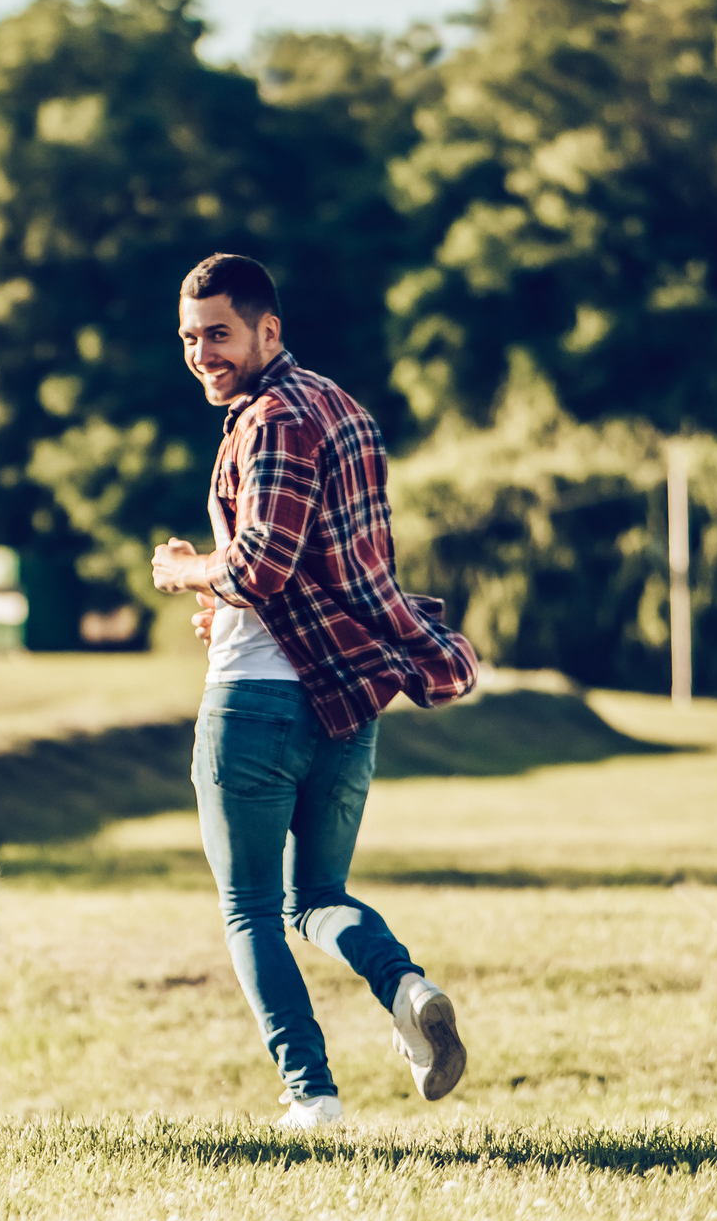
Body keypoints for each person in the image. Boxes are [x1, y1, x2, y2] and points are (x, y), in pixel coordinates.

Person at [149, 253, 479, 1129]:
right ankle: (405, 987)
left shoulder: (272, 418)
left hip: (255, 709)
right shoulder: (344, 410)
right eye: (189, 338)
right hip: (345, 701)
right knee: (318, 898)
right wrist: (223, 601)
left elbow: (261, 561)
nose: (202, 352)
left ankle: (311, 1096)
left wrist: (187, 574)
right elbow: (327, 567)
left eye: (218, 333)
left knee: (251, 907)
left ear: (268, 330)